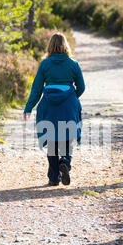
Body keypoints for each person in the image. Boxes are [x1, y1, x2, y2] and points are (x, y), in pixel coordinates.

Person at [24, 32, 85, 186]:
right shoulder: (73, 64)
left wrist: (28, 108)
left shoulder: (44, 64)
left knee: (52, 140)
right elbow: (82, 87)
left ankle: (53, 177)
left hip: (49, 106)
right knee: (67, 137)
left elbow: (36, 89)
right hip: (68, 106)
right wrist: (71, 97)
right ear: (66, 45)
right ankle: (64, 161)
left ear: (50, 45)